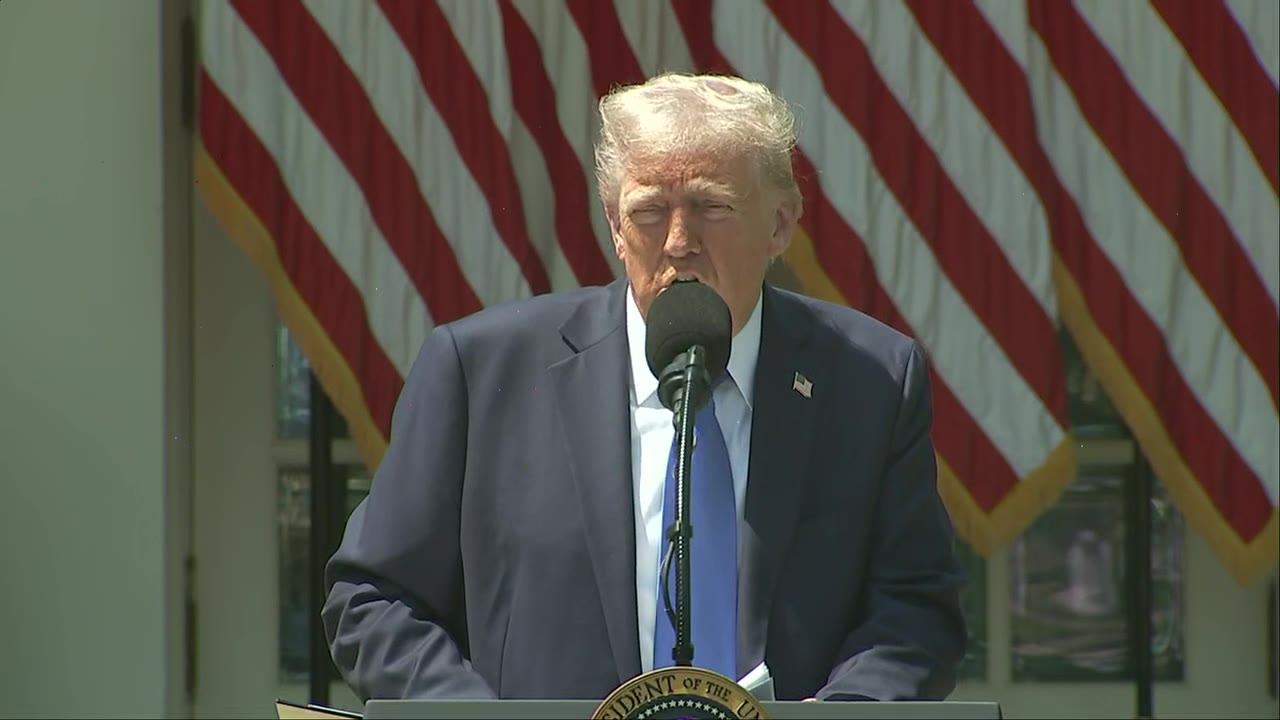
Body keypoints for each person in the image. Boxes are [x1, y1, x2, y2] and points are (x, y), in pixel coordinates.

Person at [322, 72, 967, 703]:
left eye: (712, 207)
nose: (679, 243)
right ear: (615, 225)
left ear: (779, 225)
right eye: (650, 212)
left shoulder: (871, 378)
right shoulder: (481, 370)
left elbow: (914, 612)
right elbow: (374, 600)